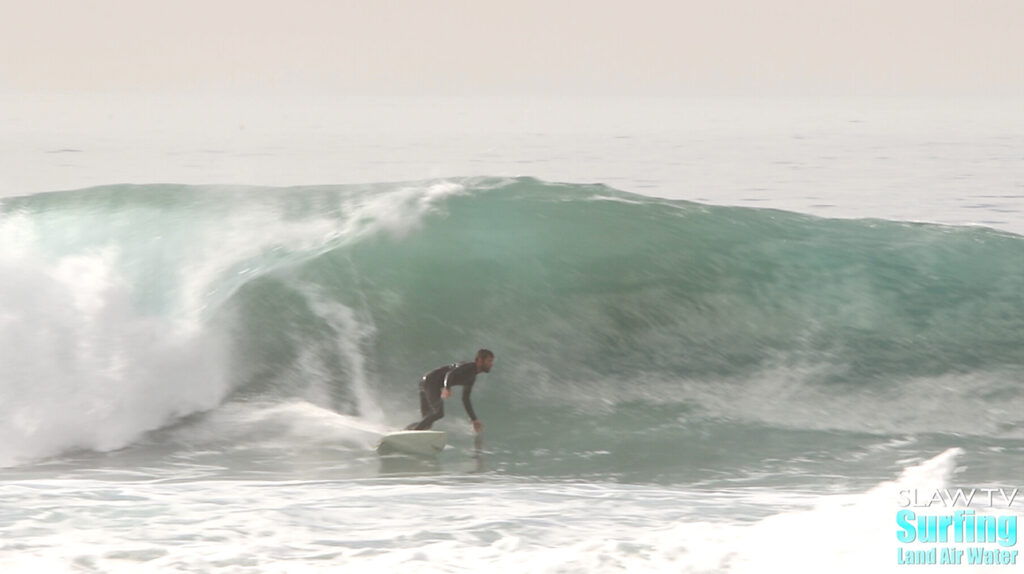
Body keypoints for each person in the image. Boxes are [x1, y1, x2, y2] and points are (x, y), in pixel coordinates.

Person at [405, 349, 494, 433]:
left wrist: (474, 419)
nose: (491, 364)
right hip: (430, 381)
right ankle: (412, 433)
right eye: (489, 361)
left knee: (428, 422)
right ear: (479, 360)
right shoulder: (467, 366)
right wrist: (447, 388)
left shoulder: (471, 378)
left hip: (427, 382)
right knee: (438, 413)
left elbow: (465, 399)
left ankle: (407, 430)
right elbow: (450, 373)